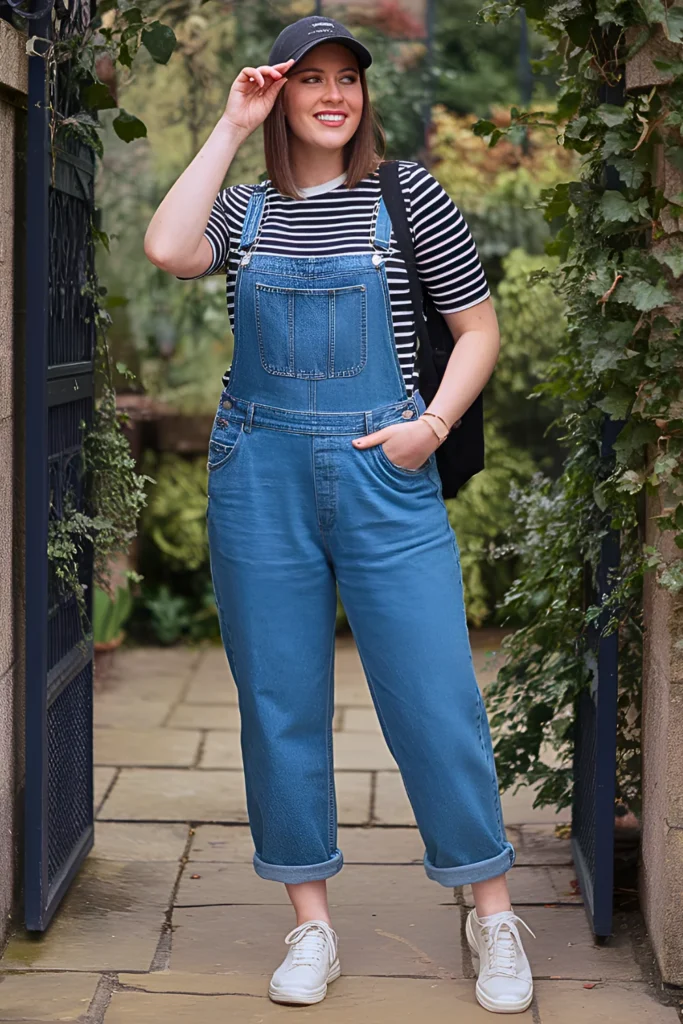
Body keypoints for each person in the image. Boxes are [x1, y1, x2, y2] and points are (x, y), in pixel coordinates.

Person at [144, 14, 535, 1013]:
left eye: (346, 79)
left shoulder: (408, 197)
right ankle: (309, 926)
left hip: (383, 472)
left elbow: (478, 327)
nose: (332, 94)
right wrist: (230, 123)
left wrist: (433, 425)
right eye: (308, 77)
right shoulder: (244, 211)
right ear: (279, 92)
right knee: (278, 704)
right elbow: (165, 245)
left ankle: (490, 912)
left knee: (434, 695)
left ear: (363, 97)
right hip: (257, 472)